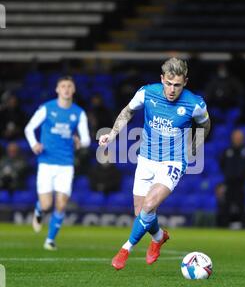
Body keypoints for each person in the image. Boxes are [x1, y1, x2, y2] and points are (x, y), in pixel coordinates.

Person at [99, 57, 211, 270]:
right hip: (146, 159)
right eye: (168, 84)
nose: (172, 90)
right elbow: (128, 111)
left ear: (185, 82)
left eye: (177, 85)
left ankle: (125, 250)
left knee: (149, 206)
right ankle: (159, 237)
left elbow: (206, 125)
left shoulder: (194, 103)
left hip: (174, 161)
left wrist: (195, 147)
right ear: (162, 79)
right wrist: (112, 134)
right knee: (141, 212)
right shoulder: (146, 93)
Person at [24, 76, 91, 250]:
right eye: (63, 86)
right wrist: (34, 144)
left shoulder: (79, 113)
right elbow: (29, 128)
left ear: (74, 90)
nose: (66, 89)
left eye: (69, 86)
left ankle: (50, 240)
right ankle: (39, 210)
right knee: (46, 204)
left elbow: (87, 140)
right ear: (57, 89)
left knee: (61, 204)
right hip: (46, 162)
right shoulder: (47, 108)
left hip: (66, 164)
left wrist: (79, 141)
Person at [219, 129, 245, 229]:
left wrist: (244, 173)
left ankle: (244, 226)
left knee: (242, 206)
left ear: (243, 139)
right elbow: (222, 164)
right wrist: (228, 174)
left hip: (241, 182)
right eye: (236, 137)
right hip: (229, 182)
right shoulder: (227, 151)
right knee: (226, 205)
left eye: (239, 137)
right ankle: (224, 227)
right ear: (232, 138)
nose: (237, 139)